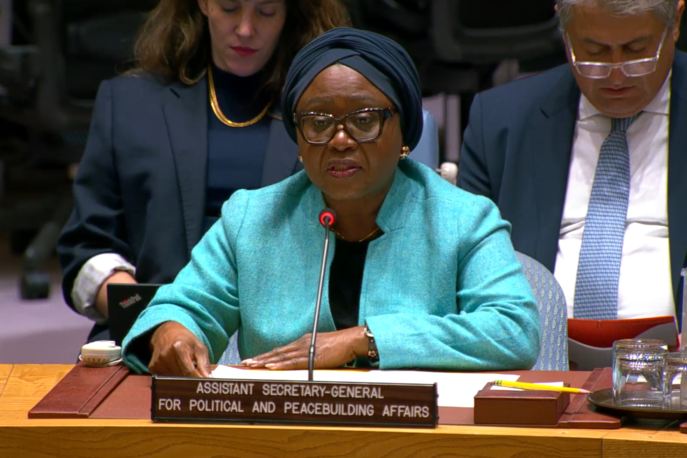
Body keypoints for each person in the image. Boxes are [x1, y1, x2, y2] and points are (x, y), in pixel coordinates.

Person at [121, 27, 541, 377]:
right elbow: (184, 306)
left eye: (364, 120)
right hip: (280, 431)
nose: (340, 140)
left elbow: (513, 330)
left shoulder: (464, 219)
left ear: (404, 134)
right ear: (299, 139)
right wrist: (172, 331)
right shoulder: (251, 219)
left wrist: (363, 340)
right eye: (319, 122)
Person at [57, 0, 350, 343]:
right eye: (229, 8)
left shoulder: (331, 112)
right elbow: (86, 250)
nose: (245, 29)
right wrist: (155, 323)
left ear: (291, 12)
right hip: (150, 331)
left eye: (266, 12)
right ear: (204, 4)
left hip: (294, 340)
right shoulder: (128, 101)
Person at [458, 0, 687, 323]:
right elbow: (467, 278)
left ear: (675, 22)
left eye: (637, 51)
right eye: (593, 53)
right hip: (535, 350)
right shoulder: (499, 122)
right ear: (564, 32)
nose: (616, 75)